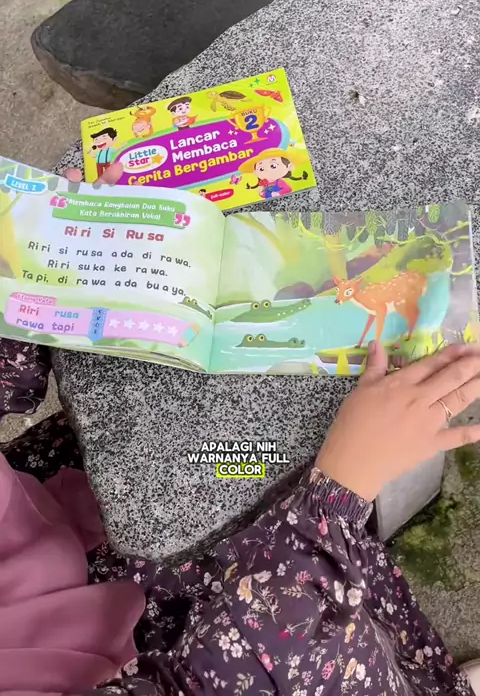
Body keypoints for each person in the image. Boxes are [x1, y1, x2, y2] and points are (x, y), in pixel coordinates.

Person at [1, 166, 480, 695]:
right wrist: (337, 495)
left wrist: (45, 262)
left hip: (62, 498)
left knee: (236, 462)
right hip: (186, 640)